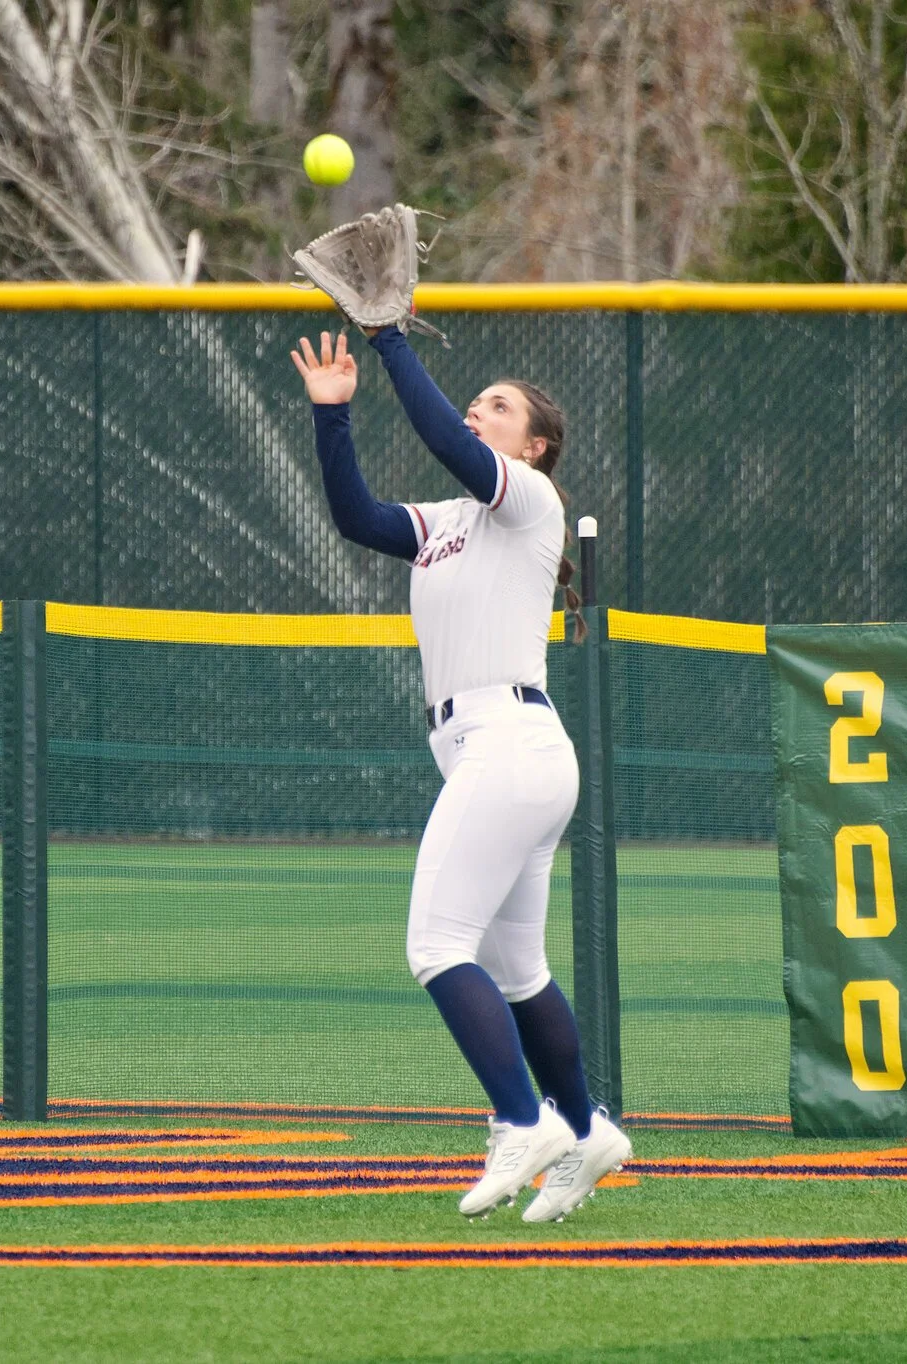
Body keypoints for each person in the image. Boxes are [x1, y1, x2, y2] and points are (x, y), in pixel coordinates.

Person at [289, 326, 631, 1222]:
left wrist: (393, 341)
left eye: (499, 405)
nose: (479, 409)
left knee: (436, 948)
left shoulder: (532, 500)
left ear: (535, 445)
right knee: (515, 966)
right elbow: (358, 518)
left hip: (507, 744)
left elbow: (446, 437)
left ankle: (524, 1121)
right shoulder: (447, 525)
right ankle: (589, 1132)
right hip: (509, 753)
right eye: (478, 399)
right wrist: (335, 416)